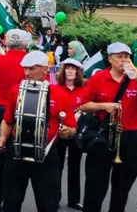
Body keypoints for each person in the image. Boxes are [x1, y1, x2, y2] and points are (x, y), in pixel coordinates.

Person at [79, 42, 137, 212]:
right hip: (104, 136)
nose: (124, 60)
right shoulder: (98, 78)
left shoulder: (135, 79)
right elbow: (83, 105)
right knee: (96, 185)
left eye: (126, 56)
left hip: (130, 137)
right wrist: (103, 106)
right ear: (110, 58)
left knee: (122, 187)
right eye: (119, 56)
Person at [0, 50, 77, 212]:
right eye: (25, 68)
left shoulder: (59, 94)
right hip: (17, 152)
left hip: (46, 154)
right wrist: (2, 137)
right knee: (11, 202)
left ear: (45, 69)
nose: (27, 72)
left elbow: (72, 127)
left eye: (32, 68)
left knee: (47, 204)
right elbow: (7, 120)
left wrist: (67, 131)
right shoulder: (16, 90)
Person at [0, 29, 30, 212]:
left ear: (6, 42)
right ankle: (11, 204)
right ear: (25, 44)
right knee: (18, 162)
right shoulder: (30, 63)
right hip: (23, 113)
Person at [55, 58, 87, 210]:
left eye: (73, 69)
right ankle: (55, 198)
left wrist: (81, 113)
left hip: (77, 132)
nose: (70, 71)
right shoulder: (56, 88)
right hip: (60, 131)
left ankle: (74, 200)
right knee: (57, 165)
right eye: (67, 68)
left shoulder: (84, 90)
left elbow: (87, 108)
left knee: (74, 166)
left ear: (78, 72)